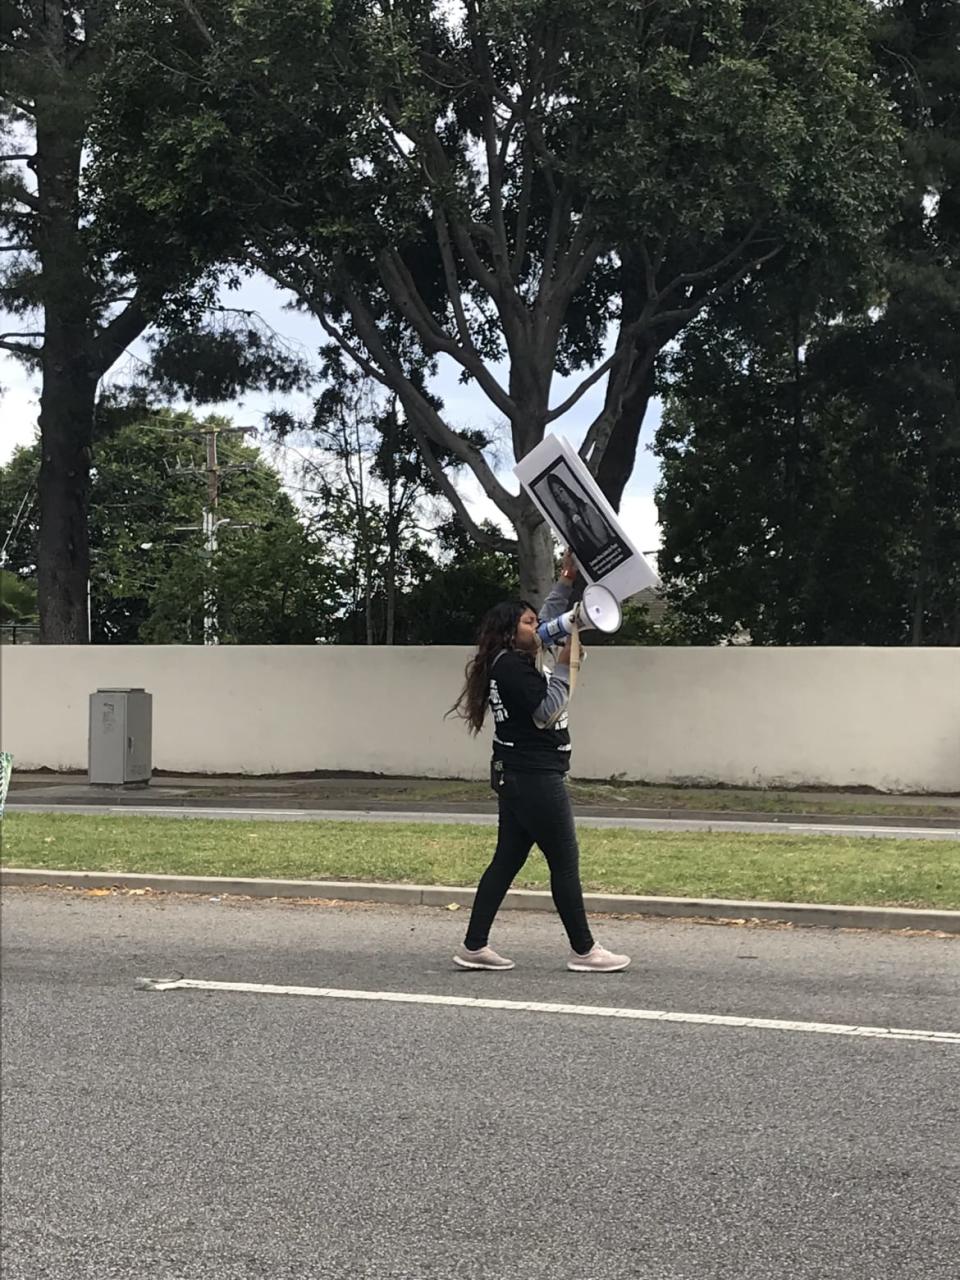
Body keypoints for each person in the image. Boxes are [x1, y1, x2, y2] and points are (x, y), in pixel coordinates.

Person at [447, 550, 631, 973]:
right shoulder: (513, 667)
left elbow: (547, 622)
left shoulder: (509, 658)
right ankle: (585, 951)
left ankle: (475, 946)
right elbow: (546, 712)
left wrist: (566, 581)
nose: (539, 627)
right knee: (564, 858)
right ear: (511, 633)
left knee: (508, 859)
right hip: (534, 776)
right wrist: (567, 666)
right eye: (528, 622)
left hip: (516, 775)